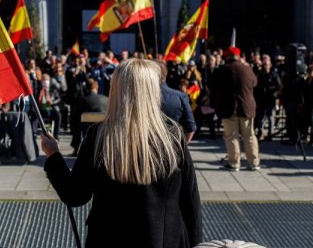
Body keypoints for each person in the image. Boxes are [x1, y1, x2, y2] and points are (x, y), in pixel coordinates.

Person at [41, 59, 202, 247]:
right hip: (165, 240)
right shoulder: (173, 136)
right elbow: (191, 202)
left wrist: (54, 156)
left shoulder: (99, 136)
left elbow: (75, 195)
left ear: (116, 90)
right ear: (153, 91)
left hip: (108, 239)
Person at [210, 46, 260, 171]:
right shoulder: (247, 69)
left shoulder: (222, 70)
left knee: (231, 136)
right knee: (249, 135)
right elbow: (255, 83)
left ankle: (234, 163)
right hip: (247, 107)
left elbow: (211, 85)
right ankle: (254, 162)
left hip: (229, 108)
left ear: (226, 57)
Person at [158, 61, 197, 143]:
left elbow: (191, 127)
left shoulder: (139, 97)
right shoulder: (180, 96)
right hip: (174, 146)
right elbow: (191, 128)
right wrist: (182, 148)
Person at [70, 78, 109, 155]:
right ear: (97, 87)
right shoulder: (105, 99)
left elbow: (74, 116)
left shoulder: (81, 99)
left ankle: (76, 147)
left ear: (86, 88)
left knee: (75, 120)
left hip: (85, 128)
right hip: (102, 128)